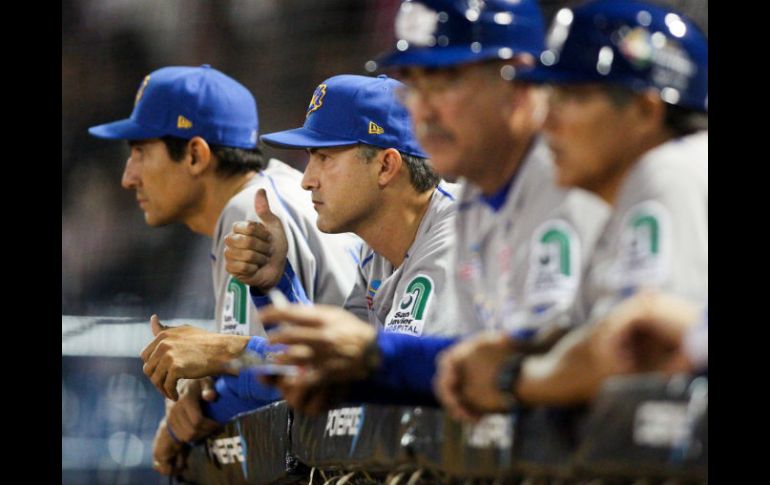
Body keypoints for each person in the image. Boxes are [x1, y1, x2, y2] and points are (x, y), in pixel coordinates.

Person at [261, 0, 610, 413]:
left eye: (442, 81)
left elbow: (542, 360)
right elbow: (466, 368)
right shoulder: (475, 204)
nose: (422, 111)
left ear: (517, 83)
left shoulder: (567, 183)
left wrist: (374, 357)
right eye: (414, 85)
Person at [434, 0, 708, 419]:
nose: (547, 121)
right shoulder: (625, 203)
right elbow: (601, 333)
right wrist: (528, 347)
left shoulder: (671, 170)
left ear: (644, 110)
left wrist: (510, 378)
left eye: (573, 97)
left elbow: (636, 357)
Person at [88, 64, 358, 474]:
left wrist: (194, 413)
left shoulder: (250, 212)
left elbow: (275, 387)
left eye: (141, 152)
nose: (129, 176)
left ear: (196, 154)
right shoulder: (272, 193)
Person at [148, 73, 464, 420]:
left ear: (386, 166)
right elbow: (329, 375)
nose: (307, 179)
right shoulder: (375, 253)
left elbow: (385, 390)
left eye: (324, 157)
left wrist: (227, 353)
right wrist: (277, 284)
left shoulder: (455, 235)